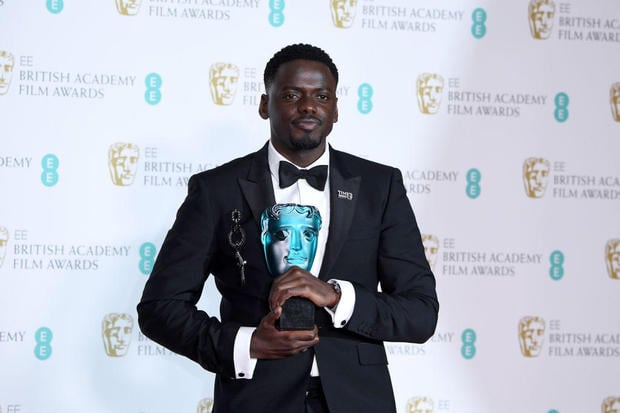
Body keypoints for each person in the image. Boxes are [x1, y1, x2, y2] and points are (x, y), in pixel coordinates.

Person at [138, 43, 439, 413]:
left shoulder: (380, 186)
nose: (308, 106)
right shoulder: (216, 189)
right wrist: (246, 344)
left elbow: (421, 313)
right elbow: (160, 307)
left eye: (322, 96)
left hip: (359, 399)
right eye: (292, 95)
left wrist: (334, 296)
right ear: (265, 104)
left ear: (336, 109)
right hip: (255, 400)